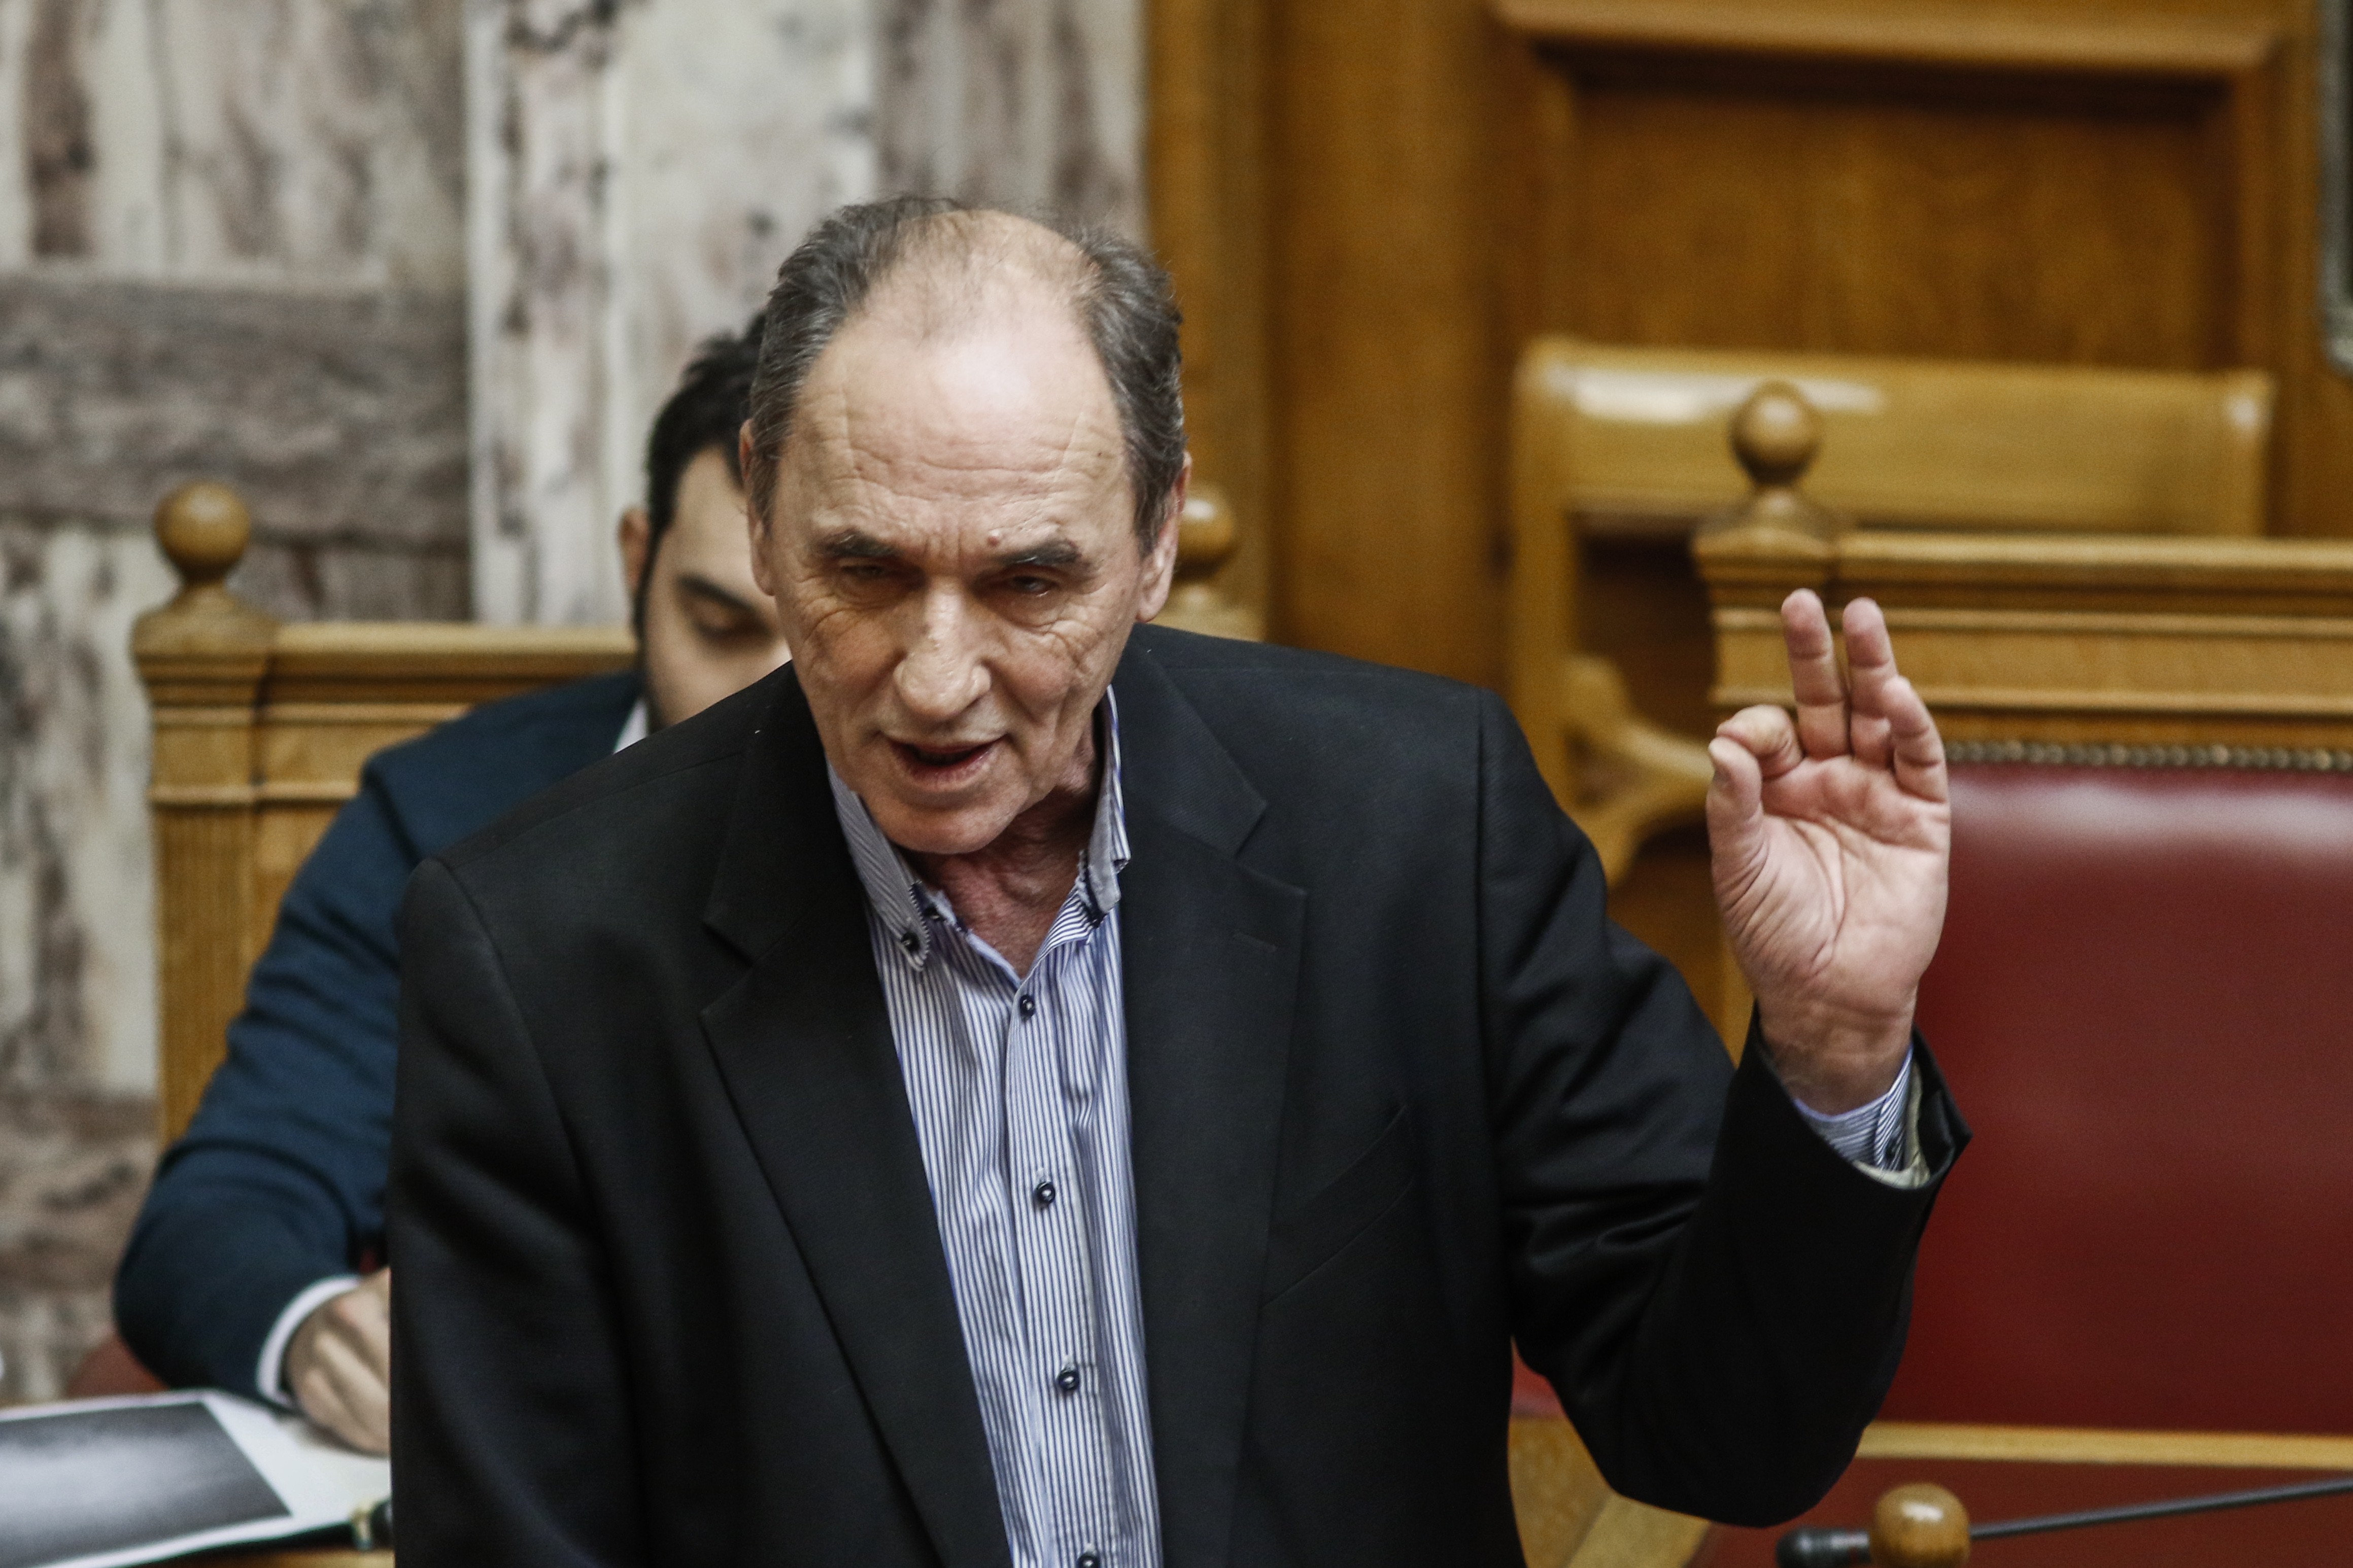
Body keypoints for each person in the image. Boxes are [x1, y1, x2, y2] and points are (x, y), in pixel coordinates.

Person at [390, 198, 1967, 1566]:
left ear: (1153, 538)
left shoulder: (1419, 828)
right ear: (757, 507)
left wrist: (1833, 1046)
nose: (934, 679)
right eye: (863, 570)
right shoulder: (542, 954)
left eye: (1027, 580)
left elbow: (1723, 1437)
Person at [113, 312, 792, 1455]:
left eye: (823, 633)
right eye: (719, 625)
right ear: (639, 564)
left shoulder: (990, 822)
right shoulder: (442, 819)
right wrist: (321, 1333)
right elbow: (222, 1214)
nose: (767, 707)